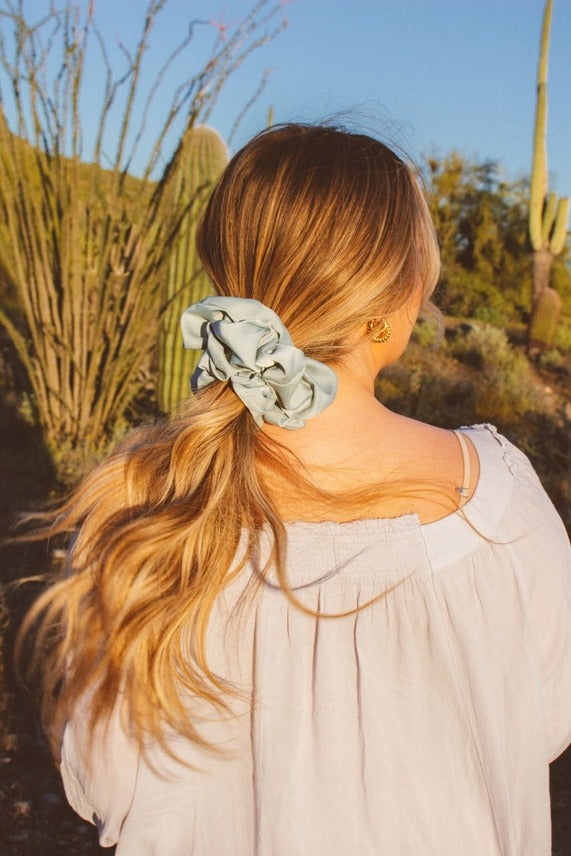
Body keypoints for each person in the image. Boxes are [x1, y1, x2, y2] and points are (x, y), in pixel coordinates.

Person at [22, 124, 571, 855]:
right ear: (394, 300)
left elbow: (99, 779)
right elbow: (541, 722)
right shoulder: (497, 505)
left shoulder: (137, 506)